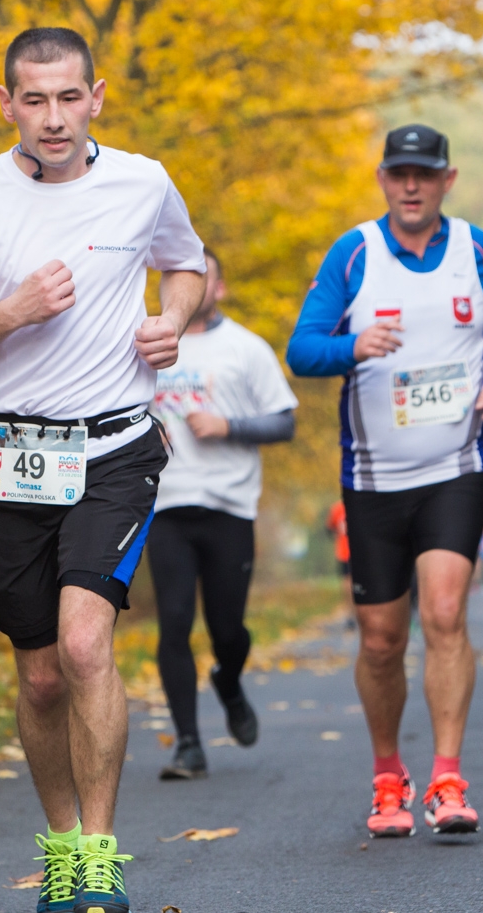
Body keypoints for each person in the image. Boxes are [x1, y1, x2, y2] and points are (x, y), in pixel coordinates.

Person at [0, 27, 205, 913]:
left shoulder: (143, 181)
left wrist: (172, 319)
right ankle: (64, 845)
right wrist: (10, 312)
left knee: (83, 644)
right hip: (13, 456)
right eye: (32, 100)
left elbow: (186, 265)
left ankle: (102, 856)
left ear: (97, 95)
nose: (53, 117)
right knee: (38, 673)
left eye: (69, 97)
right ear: (6, 105)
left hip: (114, 444)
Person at [286, 123, 483, 838]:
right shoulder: (354, 252)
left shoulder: (478, 251)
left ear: (448, 179)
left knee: (447, 614)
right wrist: (351, 345)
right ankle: (389, 776)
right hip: (373, 477)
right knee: (381, 638)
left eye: (425, 173)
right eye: (400, 173)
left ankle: (448, 779)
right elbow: (302, 349)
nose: (412, 185)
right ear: (383, 177)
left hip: (457, 465)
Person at [148, 248, 298, 780]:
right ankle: (187, 743)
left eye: (202, 278)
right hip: (165, 504)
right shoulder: (148, 342)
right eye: (178, 278)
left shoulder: (246, 349)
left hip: (230, 506)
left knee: (228, 629)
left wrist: (228, 427)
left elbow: (285, 424)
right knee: (173, 623)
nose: (190, 288)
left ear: (220, 288)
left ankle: (229, 681)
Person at [328, 500, 357, 625]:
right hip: (359, 551)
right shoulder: (361, 504)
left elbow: (329, 529)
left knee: (347, 582)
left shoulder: (337, 508)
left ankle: (350, 613)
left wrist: (337, 535)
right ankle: (356, 612)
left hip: (344, 552)